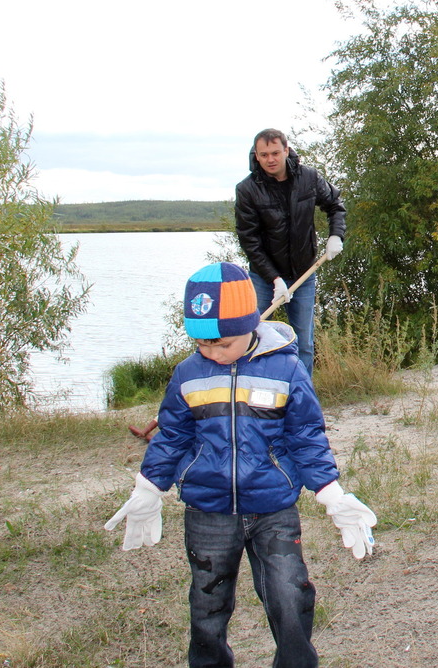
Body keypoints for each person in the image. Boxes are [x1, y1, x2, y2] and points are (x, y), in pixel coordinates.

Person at [105, 262, 377, 668]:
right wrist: (148, 488)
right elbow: (172, 437)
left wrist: (331, 493)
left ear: (251, 325)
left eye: (223, 344)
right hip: (208, 513)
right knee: (207, 604)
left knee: (290, 594)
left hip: (273, 509)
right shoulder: (186, 375)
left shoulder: (287, 369)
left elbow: (306, 437)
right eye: (203, 345)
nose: (212, 353)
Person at [236, 128, 347, 374]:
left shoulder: (309, 177)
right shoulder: (247, 189)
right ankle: (254, 396)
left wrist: (336, 235)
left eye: (275, 152)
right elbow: (249, 239)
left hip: (303, 274)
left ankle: (302, 396)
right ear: (257, 155)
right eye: (263, 155)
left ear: (286, 150)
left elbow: (335, 205)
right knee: (253, 338)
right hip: (264, 279)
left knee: (304, 343)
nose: (270, 159)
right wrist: (274, 279)